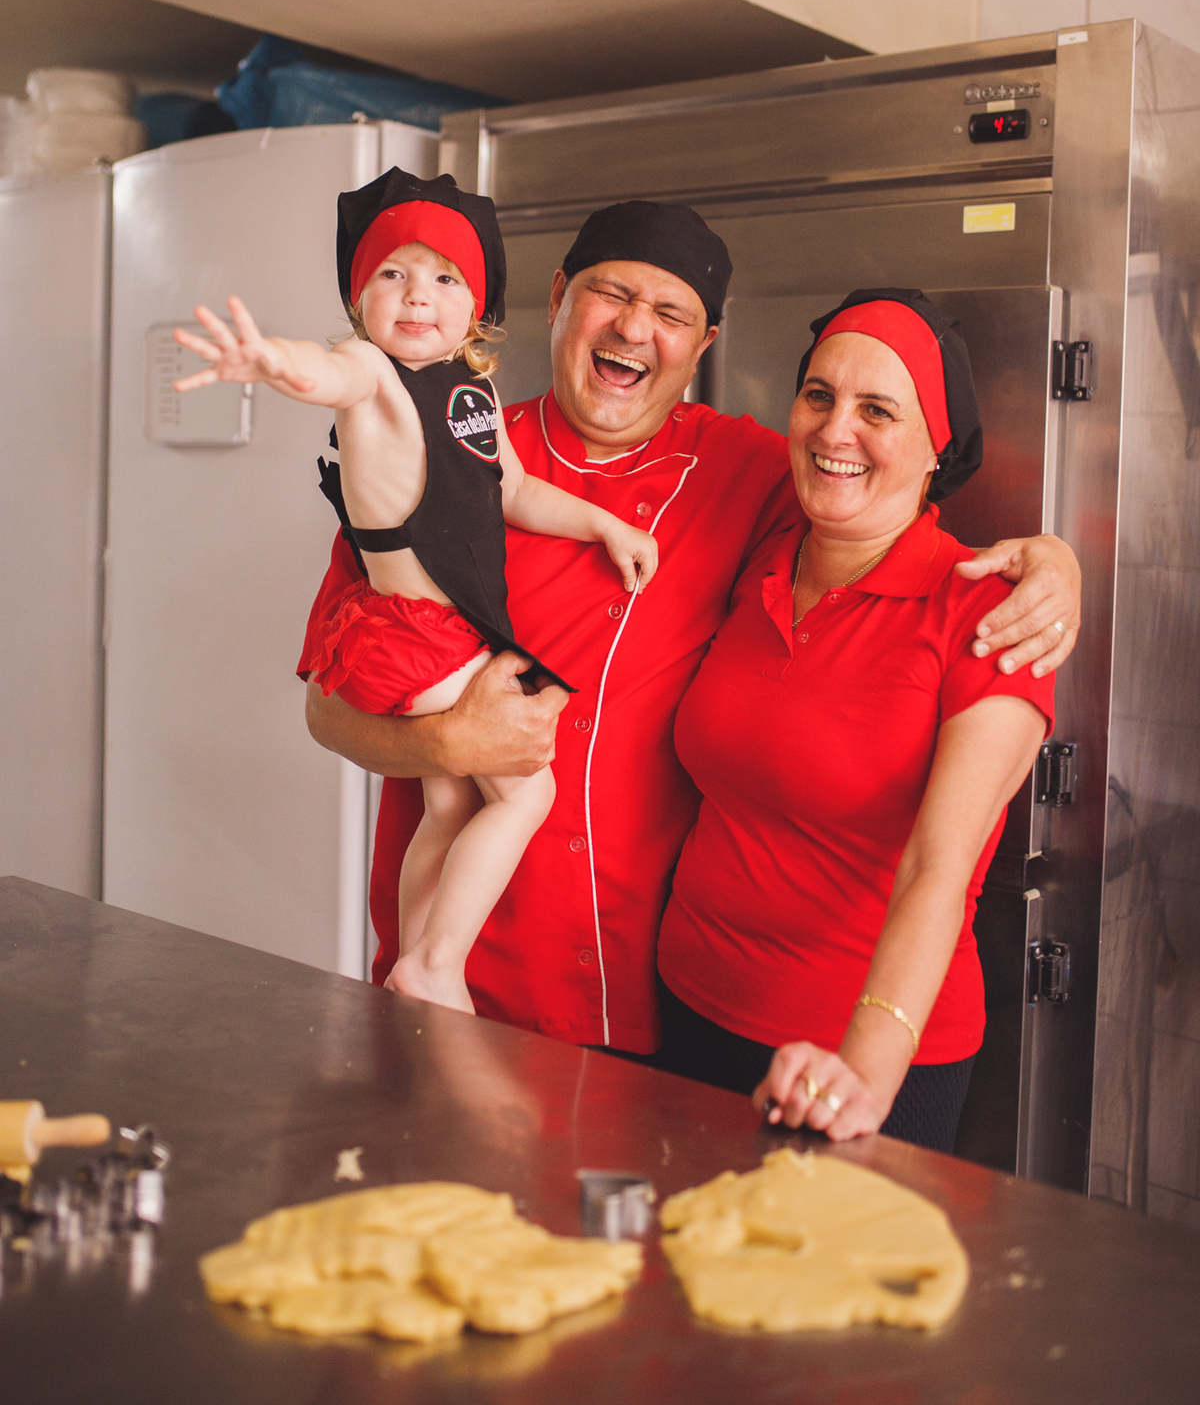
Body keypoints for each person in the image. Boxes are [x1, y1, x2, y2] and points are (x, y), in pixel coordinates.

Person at [305, 203, 1083, 1056]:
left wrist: (1055, 560)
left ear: (703, 344)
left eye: (671, 314)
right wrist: (452, 743)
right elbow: (326, 710)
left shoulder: (753, 471)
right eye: (611, 294)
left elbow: (892, 516)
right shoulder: (435, 447)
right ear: (559, 296)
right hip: (452, 974)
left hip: (649, 991)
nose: (635, 328)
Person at [173, 169, 655, 1013]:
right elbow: (323, 375)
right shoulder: (370, 371)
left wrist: (602, 525)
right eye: (392, 274)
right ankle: (437, 964)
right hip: (406, 631)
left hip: (445, 632)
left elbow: (511, 492)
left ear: (478, 307)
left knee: (449, 800)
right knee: (529, 788)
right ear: (360, 301)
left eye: (445, 278)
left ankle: (414, 973)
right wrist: (269, 362)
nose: (418, 297)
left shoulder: (473, 392)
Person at [655, 290, 1054, 1153]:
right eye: (820, 396)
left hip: (858, 1055)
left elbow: (938, 872)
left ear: (937, 446)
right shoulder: (761, 554)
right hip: (687, 1011)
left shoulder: (987, 618)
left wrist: (863, 1074)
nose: (837, 432)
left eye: (879, 410)